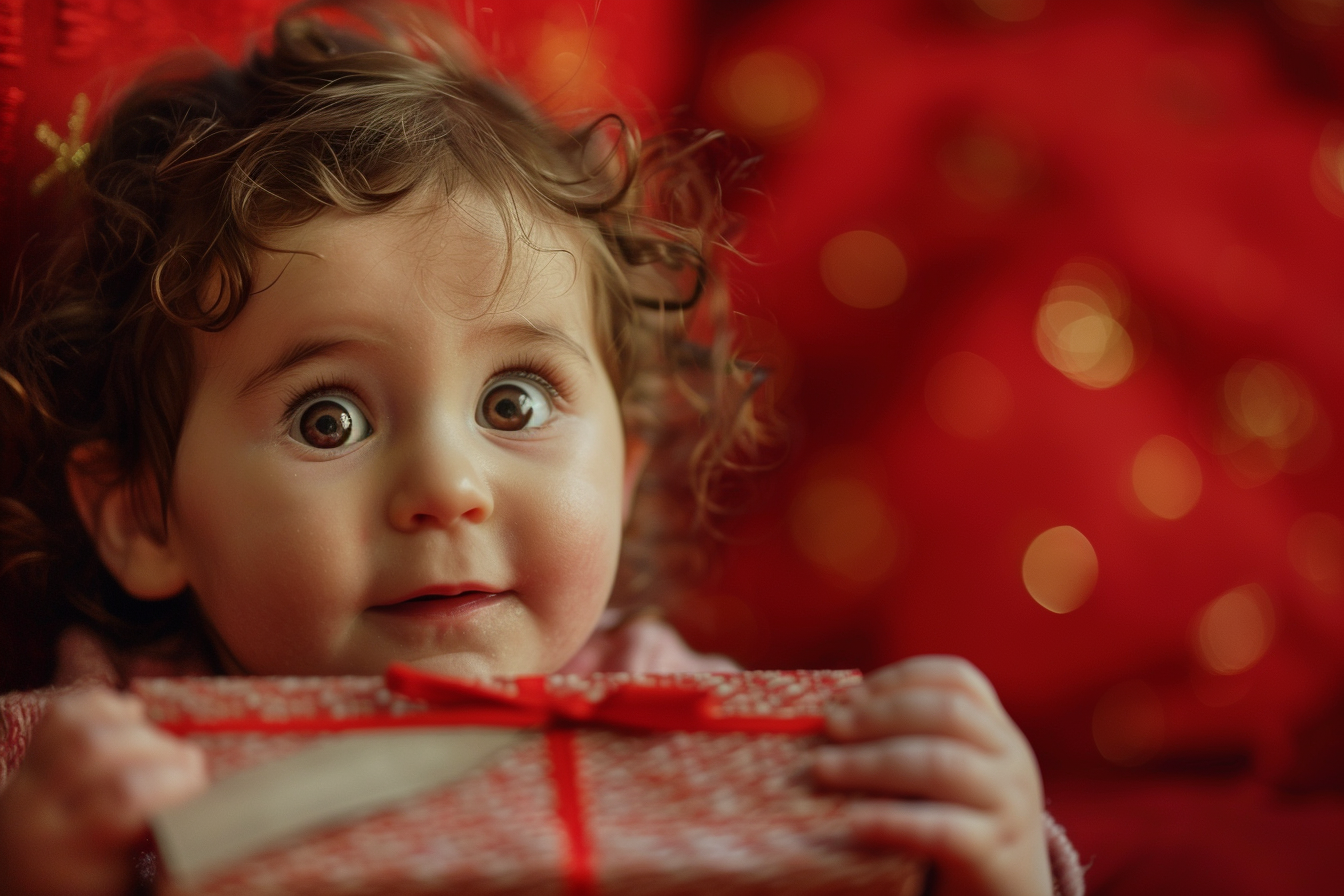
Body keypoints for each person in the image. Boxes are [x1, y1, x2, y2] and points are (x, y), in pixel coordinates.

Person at [0, 4, 1083, 895]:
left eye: (514, 403)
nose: (446, 488)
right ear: (147, 512)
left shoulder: (699, 729)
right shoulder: (70, 774)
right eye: (328, 417)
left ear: (620, 471)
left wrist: (989, 866)